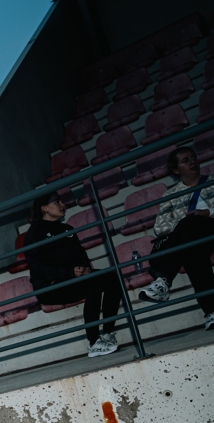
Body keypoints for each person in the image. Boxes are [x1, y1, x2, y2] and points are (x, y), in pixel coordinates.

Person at [24, 192, 122, 357]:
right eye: (57, 202)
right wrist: (69, 272)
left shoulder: (67, 229)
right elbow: (39, 268)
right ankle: (93, 342)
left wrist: (85, 268)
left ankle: (107, 334)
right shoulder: (34, 233)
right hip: (50, 286)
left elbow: (80, 255)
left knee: (112, 277)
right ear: (44, 208)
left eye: (62, 201)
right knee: (92, 284)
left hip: (73, 280)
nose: (63, 205)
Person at [138, 146, 214, 331]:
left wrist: (208, 213)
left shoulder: (212, 183)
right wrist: (186, 223)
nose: (192, 162)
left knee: (189, 231)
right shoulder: (170, 195)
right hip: (193, 240)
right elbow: (159, 227)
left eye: (193, 157)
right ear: (176, 170)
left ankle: (163, 279)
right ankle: (212, 312)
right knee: (192, 251)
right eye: (185, 160)